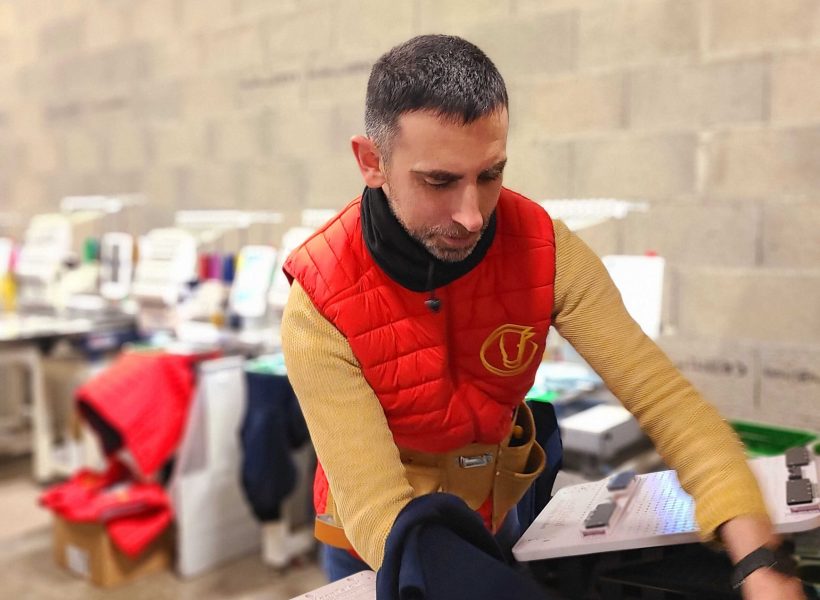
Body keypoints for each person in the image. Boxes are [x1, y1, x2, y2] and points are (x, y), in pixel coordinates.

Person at [281, 34, 805, 599]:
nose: (472, 215)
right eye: (439, 181)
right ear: (371, 162)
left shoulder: (546, 253)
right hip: (375, 542)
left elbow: (667, 402)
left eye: (490, 175)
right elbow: (377, 508)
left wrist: (758, 559)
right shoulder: (320, 301)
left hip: (496, 509)